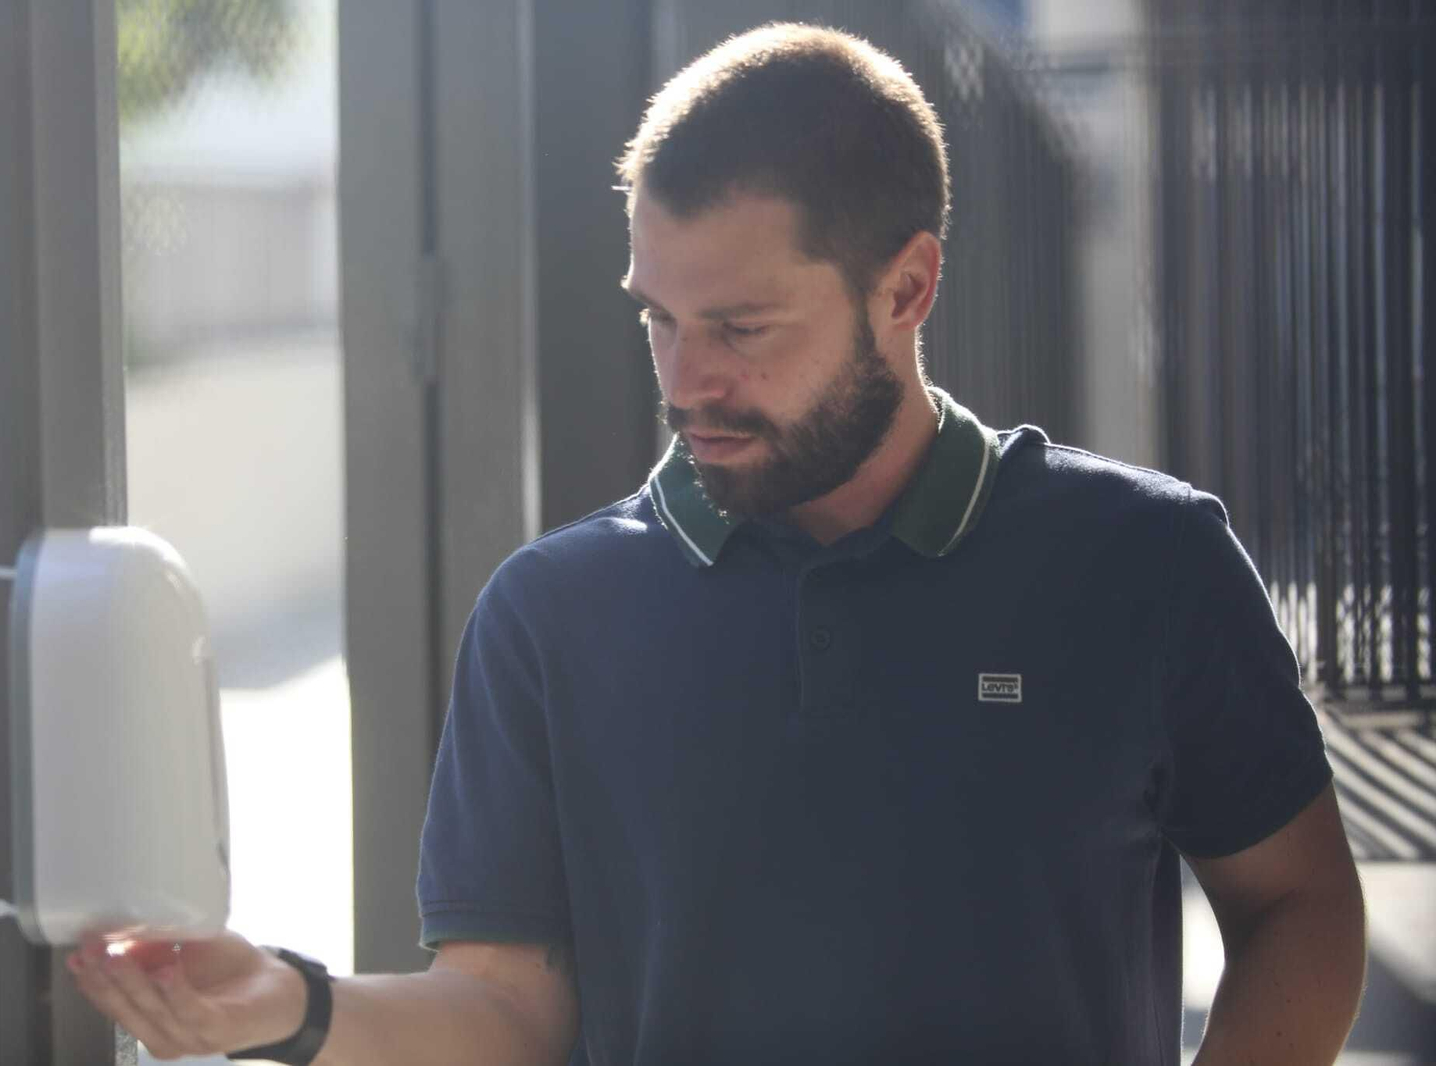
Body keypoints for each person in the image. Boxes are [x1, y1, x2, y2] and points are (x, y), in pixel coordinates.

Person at [71, 22, 1366, 1065]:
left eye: (743, 328)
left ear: (907, 287)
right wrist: (288, 1004)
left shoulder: (1146, 562)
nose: (688, 382)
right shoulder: (549, 616)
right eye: (659, 320)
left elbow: (1299, 905)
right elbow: (509, 1012)